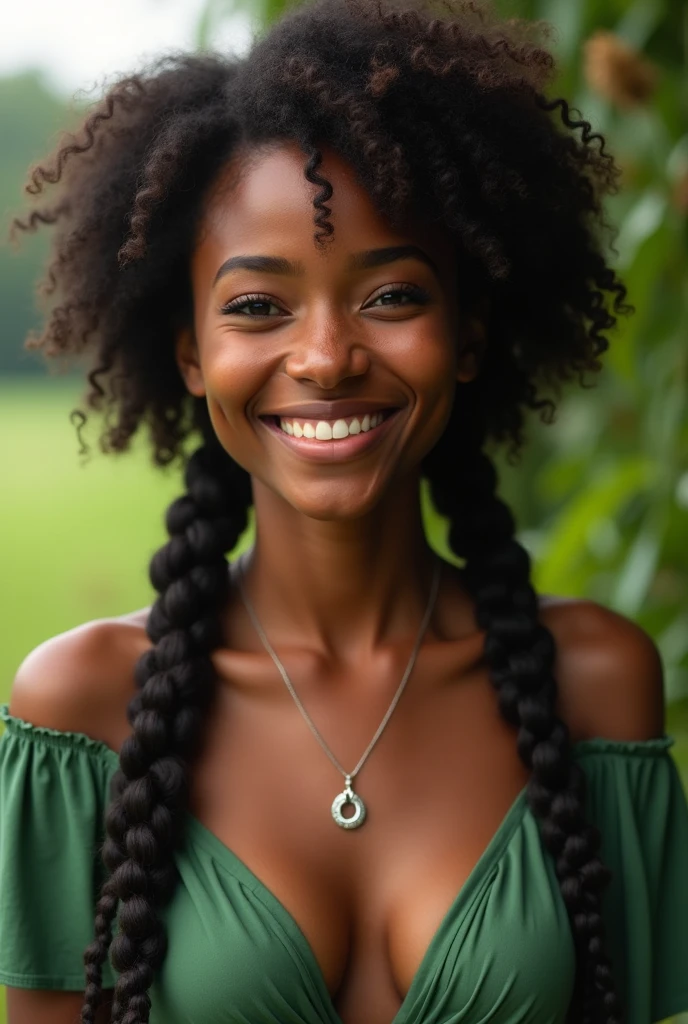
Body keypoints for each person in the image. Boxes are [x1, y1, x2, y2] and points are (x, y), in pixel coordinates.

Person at [1, 0, 687, 1022]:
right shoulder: (83, 706)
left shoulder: (596, 685)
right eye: (256, 306)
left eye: (393, 295)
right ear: (190, 353)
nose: (324, 357)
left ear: (467, 332)